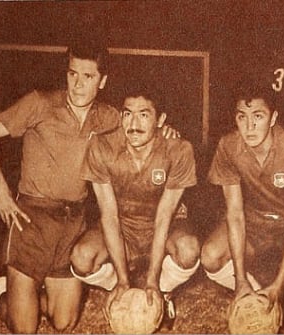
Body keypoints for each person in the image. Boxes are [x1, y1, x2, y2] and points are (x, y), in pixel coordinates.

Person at [0, 41, 119, 333]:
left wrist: (167, 129)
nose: (77, 85)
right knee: (24, 329)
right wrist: (1, 193)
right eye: (72, 74)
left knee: (64, 322)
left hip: (73, 221)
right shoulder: (40, 102)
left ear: (102, 81)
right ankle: (4, 293)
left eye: (87, 77)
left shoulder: (106, 117)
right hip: (32, 217)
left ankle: (24, 292)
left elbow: (141, 124)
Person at [200, 83, 284, 333]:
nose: (249, 126)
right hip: (256, 218)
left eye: (258, 116)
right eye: (242, 116)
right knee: (210, 255)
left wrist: (280, 287)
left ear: (273, 118)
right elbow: (235, 215)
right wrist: (239, 280)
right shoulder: (228, 147)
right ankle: (251, 291)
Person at [69, 88, 200, 329]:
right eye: (127, 114)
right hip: (124, 226)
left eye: (144, 115)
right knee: (81, 257)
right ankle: (124, 290)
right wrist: (121, 279)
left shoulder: (178, 149)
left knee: (189, 248)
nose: (134, 124)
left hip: (165, 225)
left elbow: (164, 217)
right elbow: (109, 216)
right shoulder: (103, 146)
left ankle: (162, 291)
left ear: (160, 120)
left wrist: (152, 278)